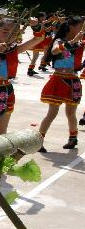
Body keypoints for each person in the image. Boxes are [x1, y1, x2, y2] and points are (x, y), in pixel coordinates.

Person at [36, 16, 84, 150]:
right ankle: (39, 140)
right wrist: (73, 41)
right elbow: (54, 50)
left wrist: (76, 42)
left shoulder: (80, 42)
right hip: (59, 79)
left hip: (73, 79)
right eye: (80, 26)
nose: (82, 29)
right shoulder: (59, 40)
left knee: (71, 113)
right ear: (71, 27)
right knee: (52, 113)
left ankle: (73, 138)